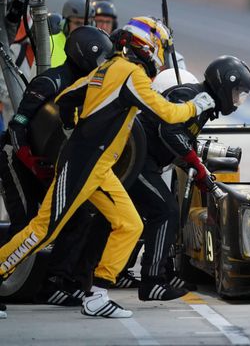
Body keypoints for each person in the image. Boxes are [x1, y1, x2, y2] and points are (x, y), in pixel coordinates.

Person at [0, 16, 215, 319]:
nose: (161, 53)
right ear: (147, 45)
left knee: (130, 224)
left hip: (96, 166)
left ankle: (97, 295)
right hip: (84, 164)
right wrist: (198, 105)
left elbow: (67, 97)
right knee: (43, 231)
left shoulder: (106, 68)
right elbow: (167, 113)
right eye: (159, 46)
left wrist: (75, 121)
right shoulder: (130, 74)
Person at [0, 26, 113, 307]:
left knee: (76, 217)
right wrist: (34, 164)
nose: (103, 67)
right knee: (26, 222)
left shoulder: (89, 88)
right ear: (85, 55)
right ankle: (6, 285)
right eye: (100, 60)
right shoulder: (50, 83)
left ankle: (55, 283)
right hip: (15, 157)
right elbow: (17, 127)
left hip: (47, 165)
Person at [131, 56, 250, 301]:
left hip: (148, 161)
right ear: (224, 86)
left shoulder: (204, 104)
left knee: (168, 212)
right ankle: (152, 282)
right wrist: (197, 164)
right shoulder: (191, 96)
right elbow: (169, 131)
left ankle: (163, 273)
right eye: (237, 92)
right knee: (165, 212)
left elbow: (182, 141)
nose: (238, 100)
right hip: (136, 159)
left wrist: (198, 172)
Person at [50, 0, 95, 68]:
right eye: (78, 23)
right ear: (64, 24)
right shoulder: (48, 44)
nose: (82, 28)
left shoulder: (96, 48)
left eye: (87, 23)